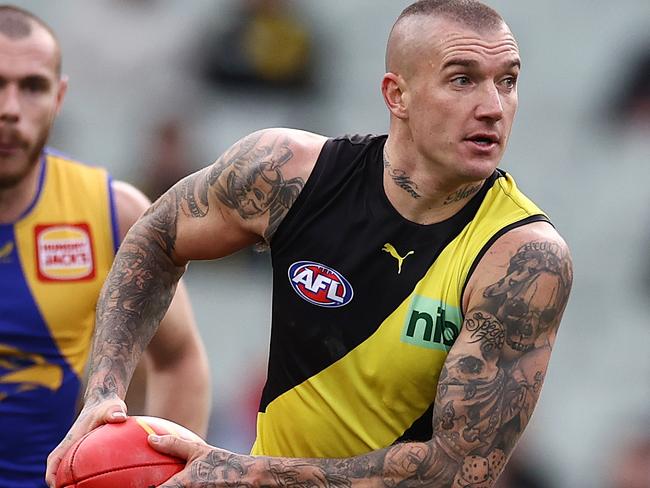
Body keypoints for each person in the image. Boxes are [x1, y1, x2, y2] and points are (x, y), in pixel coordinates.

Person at [47, 1, 573, 487]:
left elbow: (457, 470)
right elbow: (155, 238)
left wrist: (249, 474)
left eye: (508, 82)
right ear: (398, 95)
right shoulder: (288, 173)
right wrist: (105, 391)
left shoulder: (524, 260)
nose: (493, 106)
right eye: (462, 80)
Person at [0, 6, 211, 487]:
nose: (10, 107)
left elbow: (179, 358)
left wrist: (167, 477)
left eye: (31, 86)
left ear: (59, 96)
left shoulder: (109, 213)